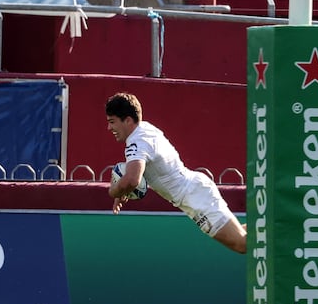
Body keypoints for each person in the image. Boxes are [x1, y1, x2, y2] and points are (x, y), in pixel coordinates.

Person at [105, 92, 246, 254]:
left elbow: (132, 180)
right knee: (241, 237)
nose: (109, 128)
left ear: (128, 120)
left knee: (242, 244)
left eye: (112, 122)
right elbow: (143, 171)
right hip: (195, 191)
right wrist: (123, 190)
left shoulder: (136, 142)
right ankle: (272, 223)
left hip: (195, 197)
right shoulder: (145, 129)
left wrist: (114, 190)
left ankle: (278, 224)